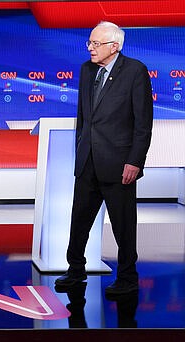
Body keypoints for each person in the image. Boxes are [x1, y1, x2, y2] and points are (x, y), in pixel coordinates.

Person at [55, 21, 153, 295]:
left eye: (96, 44)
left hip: (120, 163)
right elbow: (84, 117)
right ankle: (75, 271)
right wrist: (79, 148)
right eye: (89, 43)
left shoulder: (135, 71)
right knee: (79, 222)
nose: (90, 48)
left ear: (115, 46)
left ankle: (128, 278)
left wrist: (135, 161)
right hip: (88, 161)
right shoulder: (87, 70)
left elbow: (143, 123)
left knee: (123, 226)